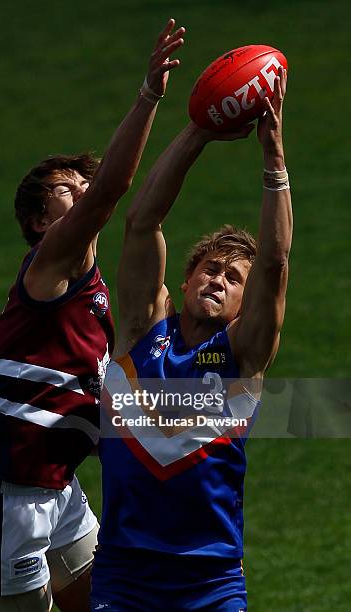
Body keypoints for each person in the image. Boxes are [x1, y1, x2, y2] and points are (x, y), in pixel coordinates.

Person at [0, 20, 185, 612]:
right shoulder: (46, 269)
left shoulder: (99, 301)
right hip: (3, 496)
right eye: (65, 187)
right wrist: (152, 96)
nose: (80, 187)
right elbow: (111, 193)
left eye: (81, 178)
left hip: (58, 488)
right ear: (39, 222)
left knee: (107, 602)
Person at [92, 67, 291, 611]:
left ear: (243, 304)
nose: (217, 279)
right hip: (123, 573)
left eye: (232, 278)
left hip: (211, 579)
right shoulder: (139, 330)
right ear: (183, 281)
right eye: (209, 268)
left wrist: (274, 162)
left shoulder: (243, 354)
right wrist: (198, 130)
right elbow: (141, 221)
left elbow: (275, 263)